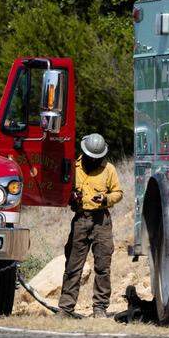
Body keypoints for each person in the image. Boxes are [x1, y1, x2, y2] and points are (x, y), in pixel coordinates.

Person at [59, 133, 123, 318]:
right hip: (80, 220)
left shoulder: (109, 169)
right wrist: (72, 197)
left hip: (101, 221)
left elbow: (118, 192)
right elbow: (64, 192)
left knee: (103, 266)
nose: (95, 160)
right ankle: (66, 308)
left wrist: (105, 198)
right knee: (73, 266)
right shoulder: (74, 167)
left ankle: (100, 307)